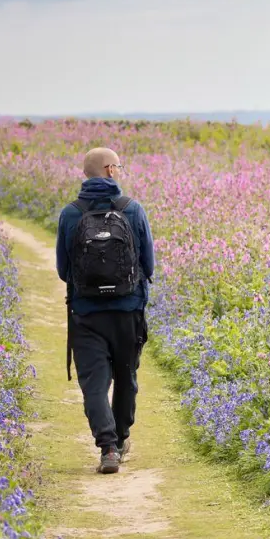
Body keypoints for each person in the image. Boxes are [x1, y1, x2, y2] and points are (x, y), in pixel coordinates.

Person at [56, 147, 154, 474]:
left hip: (86, 315)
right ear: (110, 170)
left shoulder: (70, 214)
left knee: (94, 384)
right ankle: (122, 437)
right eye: (119, 166)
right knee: (126, 377)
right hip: (128, 311)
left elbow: (61, 270)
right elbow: (149, 264)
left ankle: (108, 447)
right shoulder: (133, 209)